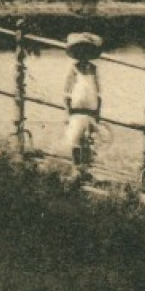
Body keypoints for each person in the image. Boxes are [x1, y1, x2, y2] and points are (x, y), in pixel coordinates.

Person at [62, 32, 103, 180]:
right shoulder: (73, 69)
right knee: (76, 139)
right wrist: (67, 112)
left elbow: (98, 92)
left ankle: (85, 170)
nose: (83, 55)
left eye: (87, 52)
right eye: (81, 52)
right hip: (76, 111)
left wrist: (98, 111)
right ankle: (76, 168)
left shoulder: (94, 69)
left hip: (90, 111)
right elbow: (66, 92)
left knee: (89, 141)